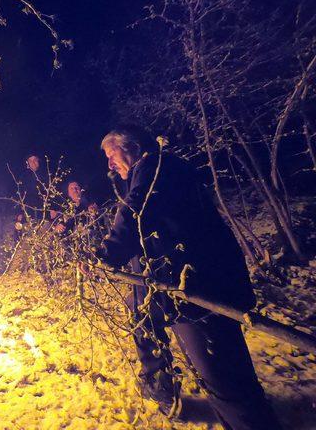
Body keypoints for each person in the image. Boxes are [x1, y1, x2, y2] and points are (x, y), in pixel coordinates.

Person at [93, 124, 282, 429]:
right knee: (143, 314)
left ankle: (252, 421)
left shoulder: (155, 170)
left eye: (111, 156)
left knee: (220, 370)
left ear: (130, 148)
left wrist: (106, 251)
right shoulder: (158, 167)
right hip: (180, 281)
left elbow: (136, 211)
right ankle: (163, 388)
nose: (110, 165)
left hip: (198, 287)